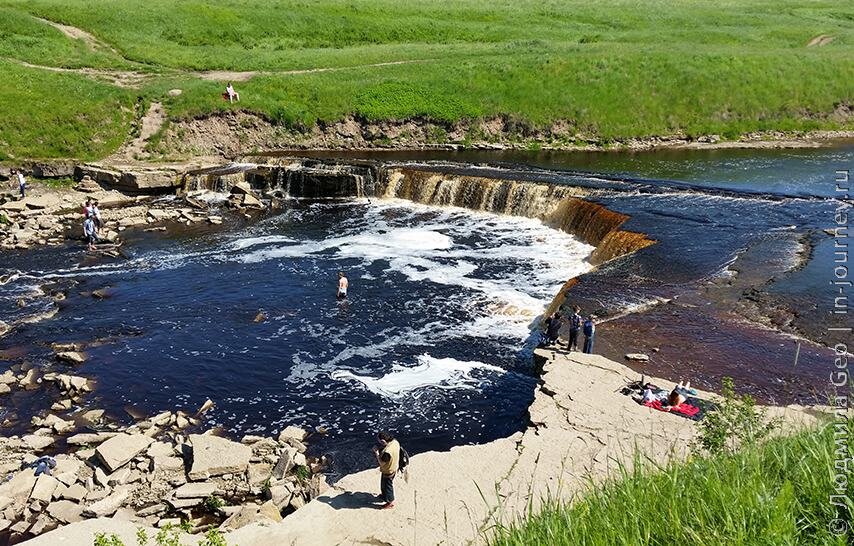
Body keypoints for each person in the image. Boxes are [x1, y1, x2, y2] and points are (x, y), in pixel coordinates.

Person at [373, 431, 400, 509]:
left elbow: (381, 463)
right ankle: (384, 496)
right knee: (383, 484)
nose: (379, 442)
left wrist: (377, 453)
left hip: (388, 470)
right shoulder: (395, 442)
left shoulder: (387, 453)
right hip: (394, 467)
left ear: (383, 441)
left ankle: (390, 502)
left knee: (388, 487)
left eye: (380, 441)